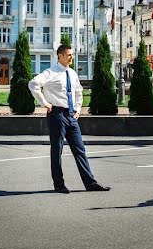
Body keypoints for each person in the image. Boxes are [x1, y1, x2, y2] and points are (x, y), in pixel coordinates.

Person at [28, 44, 111, 194]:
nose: (71, 57)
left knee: (80, 150)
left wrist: (78, 109)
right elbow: (33, 84)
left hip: (71, 116)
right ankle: (59, 184)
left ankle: (90, 183)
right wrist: (45, 103)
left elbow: (78, 92)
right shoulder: (50, 72)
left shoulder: (72, 73)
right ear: (59, 56)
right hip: (57, 115)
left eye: (72, 54)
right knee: (57, 150)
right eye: (68, 55)